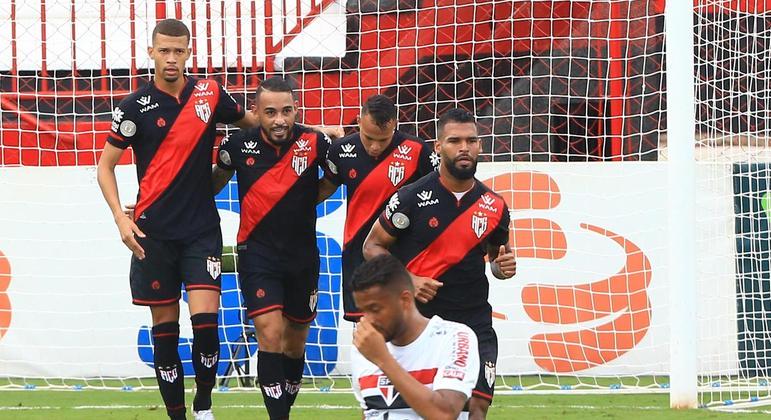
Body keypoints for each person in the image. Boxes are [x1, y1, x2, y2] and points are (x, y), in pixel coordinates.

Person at [96, 19, 260, 420]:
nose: (171, 58)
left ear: (189, 52)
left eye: (179, 51)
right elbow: (105, 167)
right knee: (165, 333)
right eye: (164, 50)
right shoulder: (133, 107)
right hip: (153, 235)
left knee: (206, 326)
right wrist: (120, 219)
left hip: (201, 230)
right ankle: (176, 415)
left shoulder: (209, 94)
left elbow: (258, 126)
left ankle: (203, 404)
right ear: (150, 52)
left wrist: (310, 130)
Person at [362, 108, 517, 419]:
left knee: (476, 406)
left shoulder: (494, 206)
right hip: (423, 323)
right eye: (454, 140)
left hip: (473, 322)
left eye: (471, 140)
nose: (464, 148)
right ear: (437, 146)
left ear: (480, 146)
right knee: (424, 409)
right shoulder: (411, 197)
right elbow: (372, 246)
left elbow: (496, 260)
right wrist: (408, 280)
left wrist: (503, 267)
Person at [212, 76, 330, 420]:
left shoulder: (315, 142)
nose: (280, 119)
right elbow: (209, 184)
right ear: (256, 112)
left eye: (287, 111)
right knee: (270, 333)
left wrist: (307, 198)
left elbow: (343, 175)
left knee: (294, 343)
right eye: (271, 112)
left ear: (296, 110)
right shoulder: (237, 145)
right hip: (256, 253)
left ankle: (284, 411)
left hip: (303, 257)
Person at [318, 94, 438, 322]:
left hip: (407, 260)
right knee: (367, 333)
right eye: (368, 137)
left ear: (394, 125)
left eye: (383, 140)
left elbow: (441, 193)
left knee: (409, 331)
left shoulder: (418, 151)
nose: (375, 146)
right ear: (359, 122)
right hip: (358, 256)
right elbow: (325, 188)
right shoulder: (340, 151)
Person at [351, 254, 480, 419]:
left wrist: (383, 359)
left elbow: (445, 413)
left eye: (375, 309)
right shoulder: (362, 349)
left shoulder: (455, 337)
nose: (368, 320)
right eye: (363, 310)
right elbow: (370, 413)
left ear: (405, 300)